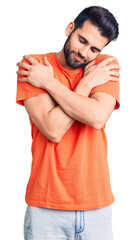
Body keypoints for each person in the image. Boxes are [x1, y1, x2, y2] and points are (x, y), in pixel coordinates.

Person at [16, 6, 120, 240]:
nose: (84, 53)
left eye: (94, 49)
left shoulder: (104, 66)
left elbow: (96, 117)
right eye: (82, 41)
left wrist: (49, 83)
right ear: (69, 28)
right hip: (46, 206)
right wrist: (86, 84)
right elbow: (52, 129)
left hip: (97, 205)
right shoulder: (34, 66)